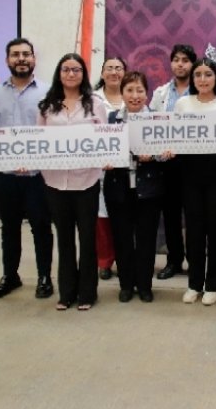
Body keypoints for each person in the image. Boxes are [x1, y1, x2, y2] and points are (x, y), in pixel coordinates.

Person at [0, 38, 54, 299]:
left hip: (38, 175)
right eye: (15, 54)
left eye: (26, 54)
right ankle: (10, 276)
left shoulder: (48, 92)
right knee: (9, 228)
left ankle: (44, 277)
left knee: (41, 227)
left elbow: (54, 132)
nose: (21, 59)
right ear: (7, 60)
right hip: (6, 176)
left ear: (34, 59)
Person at [37, 53, 107, 311]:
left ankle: (87, 293)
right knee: (64, 238)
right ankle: (66, 293)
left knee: (87, 239)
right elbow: (37, 142)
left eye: (76, 69)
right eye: (66, 69)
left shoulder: (95, 103)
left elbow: (106, 138)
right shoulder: (46, 106)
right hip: (55, 181)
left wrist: (108, 158)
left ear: (83, 74)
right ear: (59, 73)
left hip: (86, 180)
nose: (70, 74)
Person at [175, 58, 216, 306]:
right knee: (194, 232)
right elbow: (174, 136)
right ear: (192, 79)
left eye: (208, 74)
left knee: (214, 231)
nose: (202, 79)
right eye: (198, 74)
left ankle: (212, 285)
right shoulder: (183, 104)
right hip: (189, 174)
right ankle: (194, 283)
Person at [104, 71, 163, 303]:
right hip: (118, 188)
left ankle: (145, 285)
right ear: (122, 93)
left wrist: (155, 156)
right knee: (122, 238)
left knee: (147, 239)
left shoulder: (157, 120)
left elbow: (167, 153)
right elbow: (102, 148)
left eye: (140, 90)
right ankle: (126, 285)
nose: (135, 95)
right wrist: (105, 160)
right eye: (129, 90)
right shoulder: (111, 120)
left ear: (147, 94)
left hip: (148, 188)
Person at [149, 44, 197, 280]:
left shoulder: (201, 91)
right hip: (167, 163)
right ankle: (174, 260)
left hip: (193, 163)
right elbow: (152, 126)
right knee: (170, 215)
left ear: (192, 64)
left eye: (185, 60)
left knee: (195, 214)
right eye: (176, 59)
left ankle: (196, 262)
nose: (180, 64)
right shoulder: (160, 93)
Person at [93, 57, 127, 280]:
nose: (114, 72)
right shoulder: (91, 99)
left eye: (118, 68)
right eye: (109, 68)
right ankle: (104, 261)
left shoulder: (134, 95)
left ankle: (125, 260)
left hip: (129, 168)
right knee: (102, 217)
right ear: (102, 73)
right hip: (100, 168)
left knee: (125, 217)